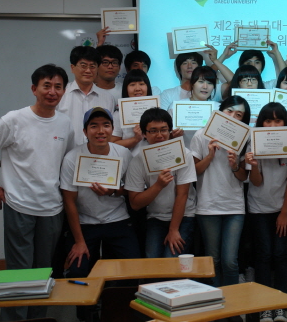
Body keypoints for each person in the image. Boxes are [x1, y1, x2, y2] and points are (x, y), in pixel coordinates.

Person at [0, 64, 74, 322]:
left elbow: (68, 161)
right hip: (20, 205)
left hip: (52, 208)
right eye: (46, 86)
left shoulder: (65, 123)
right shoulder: (14, 119)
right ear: (34, 89)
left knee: (43, 272)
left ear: (64, 91)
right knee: (19, 273)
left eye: (58, 87)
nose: (52, 92)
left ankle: (36, 318)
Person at [60, 107, 138, 278]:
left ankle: (113, 296)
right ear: (85, 132)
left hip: (117, 219)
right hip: (85, 222)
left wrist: (113, 191)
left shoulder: (123, 154)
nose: (101, 131)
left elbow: (132, 189)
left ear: (112, 129)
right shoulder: (72, 158)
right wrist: (79, 242)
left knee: (132, 270)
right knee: (78, 271)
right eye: (94, 126)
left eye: (106, 125)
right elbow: (69, 201)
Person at [190, 96, 251, 286]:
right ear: (220, 112)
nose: (232, 117)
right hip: (208, 205)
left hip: (234, 206)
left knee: (230, 261)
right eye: (229, 111)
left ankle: (233, 302)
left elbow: (243, 176)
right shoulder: (201, 135)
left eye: (239, 115)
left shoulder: (245, 138)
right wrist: (210, 156)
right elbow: (194, 172)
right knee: (213, 259)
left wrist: (234, 165)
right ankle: (216, 300)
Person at [245, 103, 287, 322]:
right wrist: (254, 165)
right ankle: (265, 306)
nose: (273, 125)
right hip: (259, 208)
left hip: (284, 208)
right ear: (261, 123)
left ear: (285, 122)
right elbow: (256, 182)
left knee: (282, 255)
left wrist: (284, 212)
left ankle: (281, 306)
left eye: (278, 120)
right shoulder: (253, 142)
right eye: (268, 121)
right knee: (264, 255)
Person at [126, 108, 198, 257]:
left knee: (171, 258)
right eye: (153, 131)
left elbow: (183, 194)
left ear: (170, 131)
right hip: (156, 217)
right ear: (144, 134)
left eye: (163, 130)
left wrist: (173, 230)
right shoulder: (138, 161)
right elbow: (135, 203)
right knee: (152, 260)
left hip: (184, 216)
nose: (159, 135)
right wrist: (158, 185)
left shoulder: (184, 154)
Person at [58, 46, 117, 145]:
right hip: (65, 151)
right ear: (72, 68)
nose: (88, 71)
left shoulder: (107, 97)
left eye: (92, 66)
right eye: (83, 66)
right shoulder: (61, 94)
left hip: (97, 152)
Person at [216, 41, 286, 88]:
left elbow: (286, 77)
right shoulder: (234, 83)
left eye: (257, 62)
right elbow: (211, 73)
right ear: (241, 66)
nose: (253, 65)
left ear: (262, 65)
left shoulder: (268, 86)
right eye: (248, 63)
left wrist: (276, 53)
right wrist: (224, 56)